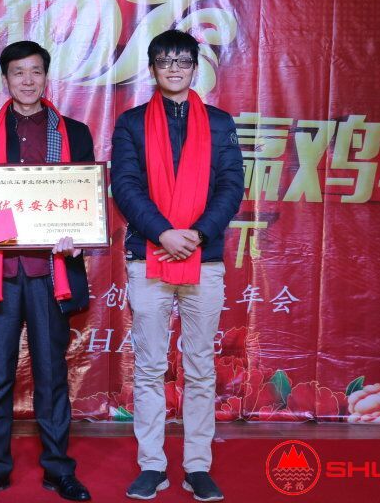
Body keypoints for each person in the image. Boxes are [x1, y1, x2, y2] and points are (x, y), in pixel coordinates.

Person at [110, 30, 244, 502]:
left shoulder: (220, 123)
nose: (173, 68)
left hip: (204, 258)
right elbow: (125, 185)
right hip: (149, 255)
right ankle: (152, 465)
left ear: (194, 68)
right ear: (152, 69)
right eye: (164, 61)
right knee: (149, 368)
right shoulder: (130, 124)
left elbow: (232, 185)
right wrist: (163, 233)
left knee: (200, 367)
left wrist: (199, 234)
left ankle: (197, 466)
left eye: (182, 61)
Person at [0, 41, 93, 502]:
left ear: (46, 76)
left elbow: (85, 197)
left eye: (36, 71)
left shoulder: (74, 132)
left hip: (51, 271)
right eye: (18, 72)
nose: (28, 80)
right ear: (6, 79)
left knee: (51, 375)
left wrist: (79, 232)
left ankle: (58, 469)